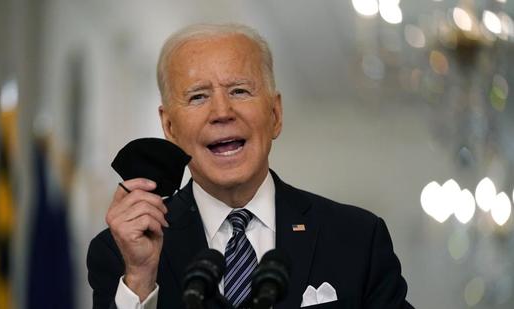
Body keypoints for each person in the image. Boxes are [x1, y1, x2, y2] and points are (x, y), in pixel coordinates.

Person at [87, 23, 413, 309]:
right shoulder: (122, 251)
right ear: (169, 127)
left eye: (239, 91)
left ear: (275, 115)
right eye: (198, 97)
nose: (222, 111)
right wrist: (141, 277)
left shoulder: (356, 238)